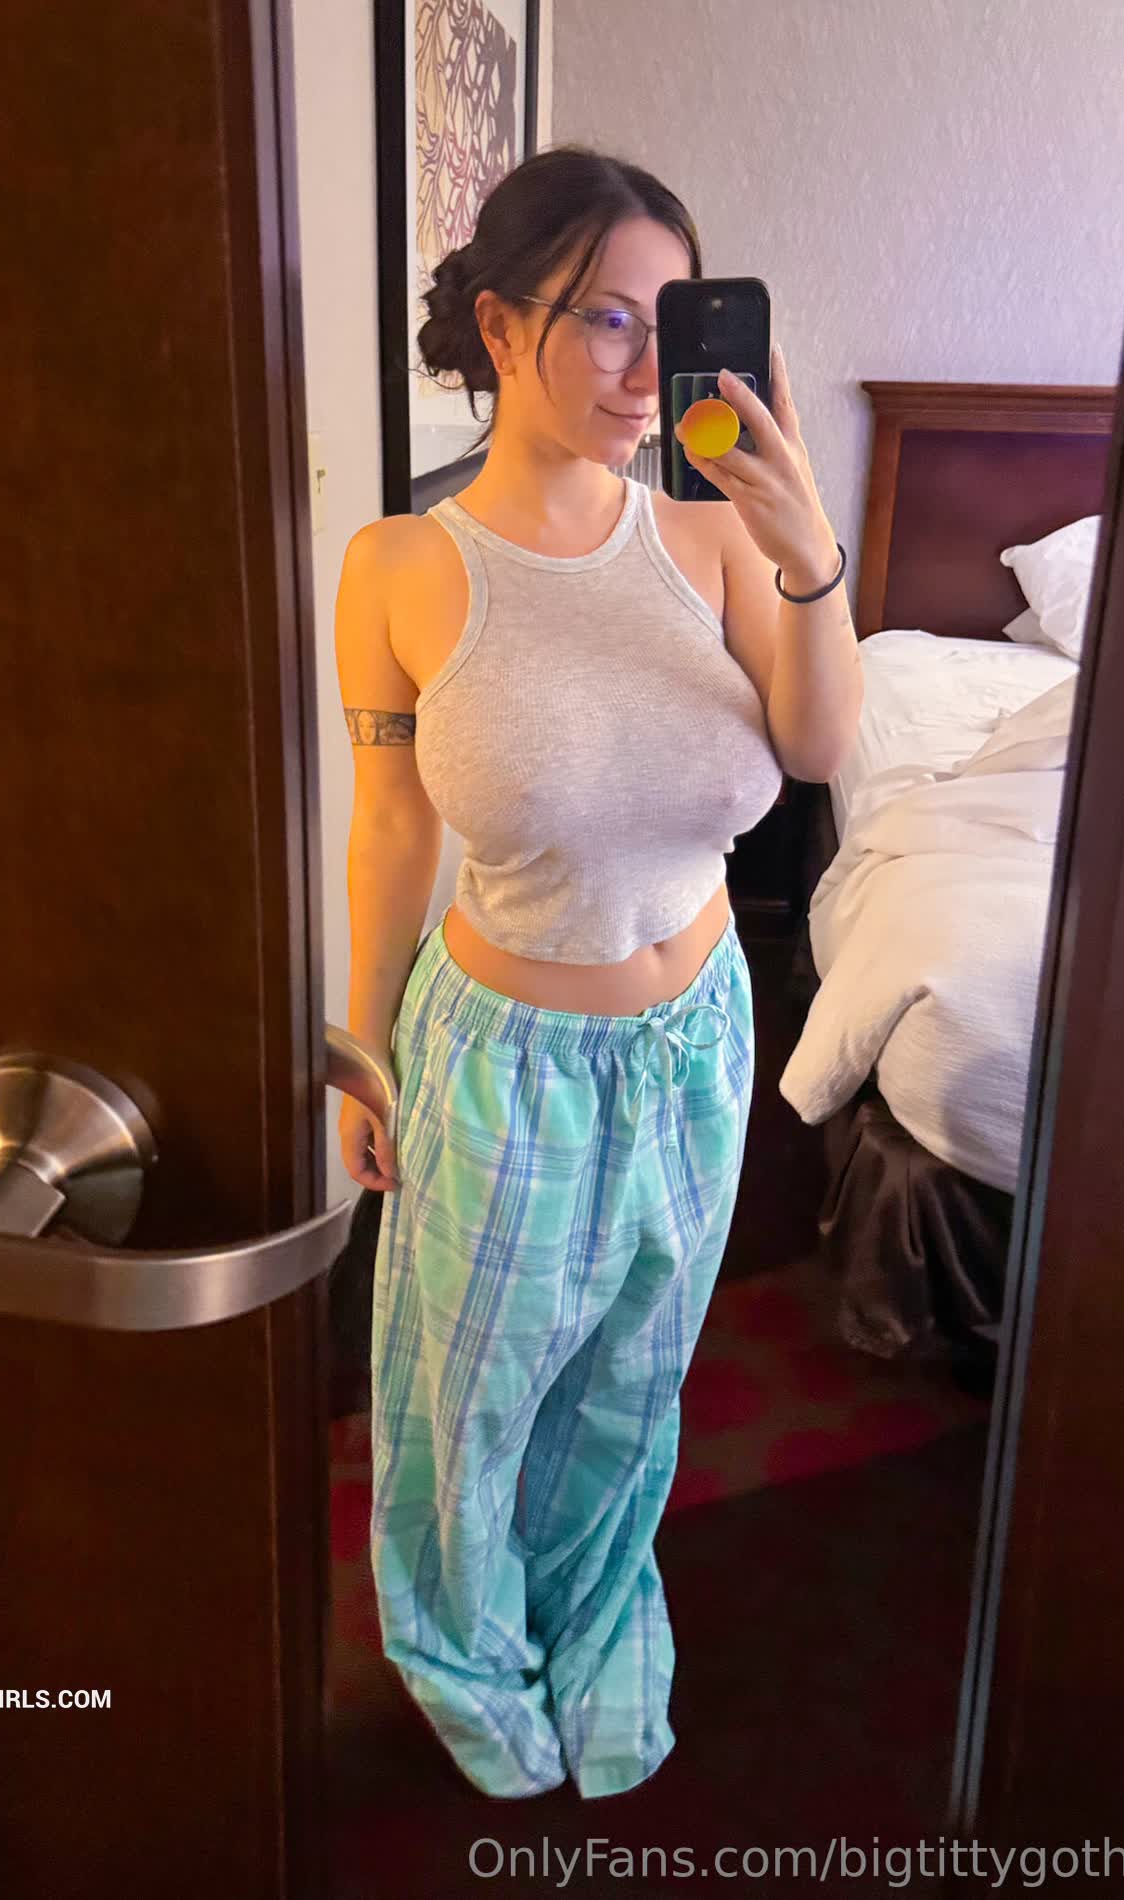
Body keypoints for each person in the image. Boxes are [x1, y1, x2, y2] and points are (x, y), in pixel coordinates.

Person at [333, 142, 862, 1802]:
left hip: (695, 1042)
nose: (646, 373)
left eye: (673, 322)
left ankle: (592, 1601)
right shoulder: (400, 568)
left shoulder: (715, 542)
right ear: (501, 329)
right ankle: (457, 1644)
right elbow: (391, 827)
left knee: (634, 1380)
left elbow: (821, 746)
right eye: (607, 320)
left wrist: (805, 548)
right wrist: (357, 1044)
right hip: (500, 1058)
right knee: (465, 1397)